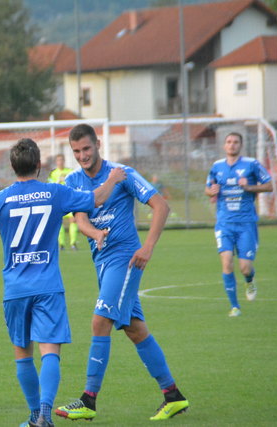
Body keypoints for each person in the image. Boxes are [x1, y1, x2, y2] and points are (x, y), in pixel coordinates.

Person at [0, 138, 126, 427]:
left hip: (15, 290)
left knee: (23, 356)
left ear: (13, 167)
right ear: (39, 165)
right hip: (48, 287)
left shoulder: (0, 199)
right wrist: (113, 178)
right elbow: (97, 198)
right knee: (50, 352)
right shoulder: (55, 192)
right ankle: (44, 415)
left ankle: (33, 417)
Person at [55, 123, 189, 421]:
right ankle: (173, 395)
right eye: (76, 151)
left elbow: (161, 206)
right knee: (135, 329)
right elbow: (80, 220)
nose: (82, 156)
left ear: (98, 144)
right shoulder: (74, 179)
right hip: (103, 263)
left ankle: (88, 400)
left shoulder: (121, 172)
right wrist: (95, 234)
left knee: (99, 321)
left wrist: (148, 247)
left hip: (126, 259)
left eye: (86, 149)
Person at [205, 132, 272, 317]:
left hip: (246, 224)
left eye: (235, 142)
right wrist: (212, 191)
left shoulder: (251, 164)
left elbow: (269, 185)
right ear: (224, 146)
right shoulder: (216, 166)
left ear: (240, 145)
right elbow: (208, 189)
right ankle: (235, 307)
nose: (232, 145)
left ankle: (249, 280)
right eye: (229, 142)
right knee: (226, 263)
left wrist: (249, 187)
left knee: (245, 267)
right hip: (224, 224)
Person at [47, 153, 78, 250]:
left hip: (69, 199)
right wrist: (58, 181)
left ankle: (73, 243)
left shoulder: (70, 171)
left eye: (61, 160)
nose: (60, 162)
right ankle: (61, 244)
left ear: (64, 161)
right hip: (58, 201)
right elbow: (51, 187)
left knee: (73, 220)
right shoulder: (53, 173)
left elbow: (74, 185)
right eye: (58, 160)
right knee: (59, 222)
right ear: (56, 162)